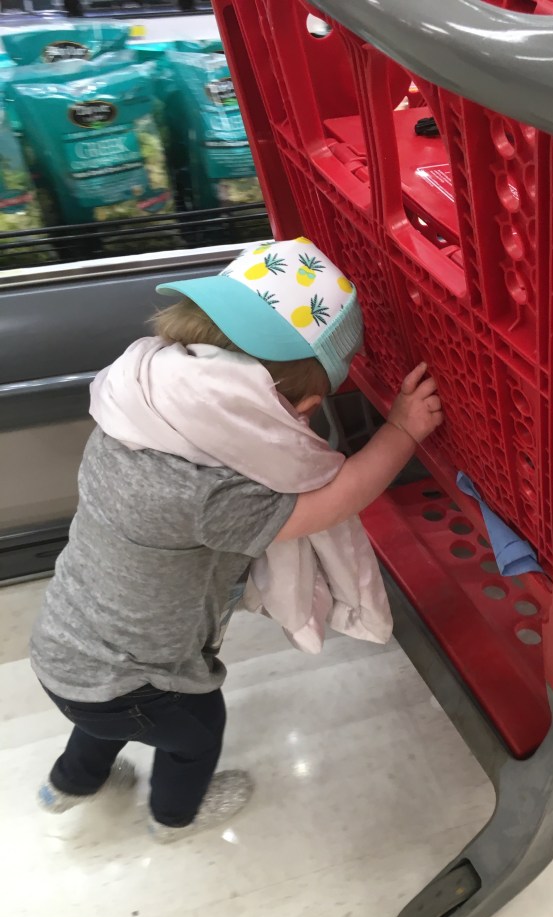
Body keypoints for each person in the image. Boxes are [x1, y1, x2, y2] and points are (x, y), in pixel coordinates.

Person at [30, 238, 442, 842]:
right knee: (196, 735)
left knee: (99, 718)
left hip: (62, 646)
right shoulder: (212, 494)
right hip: (142, 677)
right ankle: (174, 817)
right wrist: (403, 429)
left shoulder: (133, 410)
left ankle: (70, 783)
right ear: (297, 406)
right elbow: (333, 502)